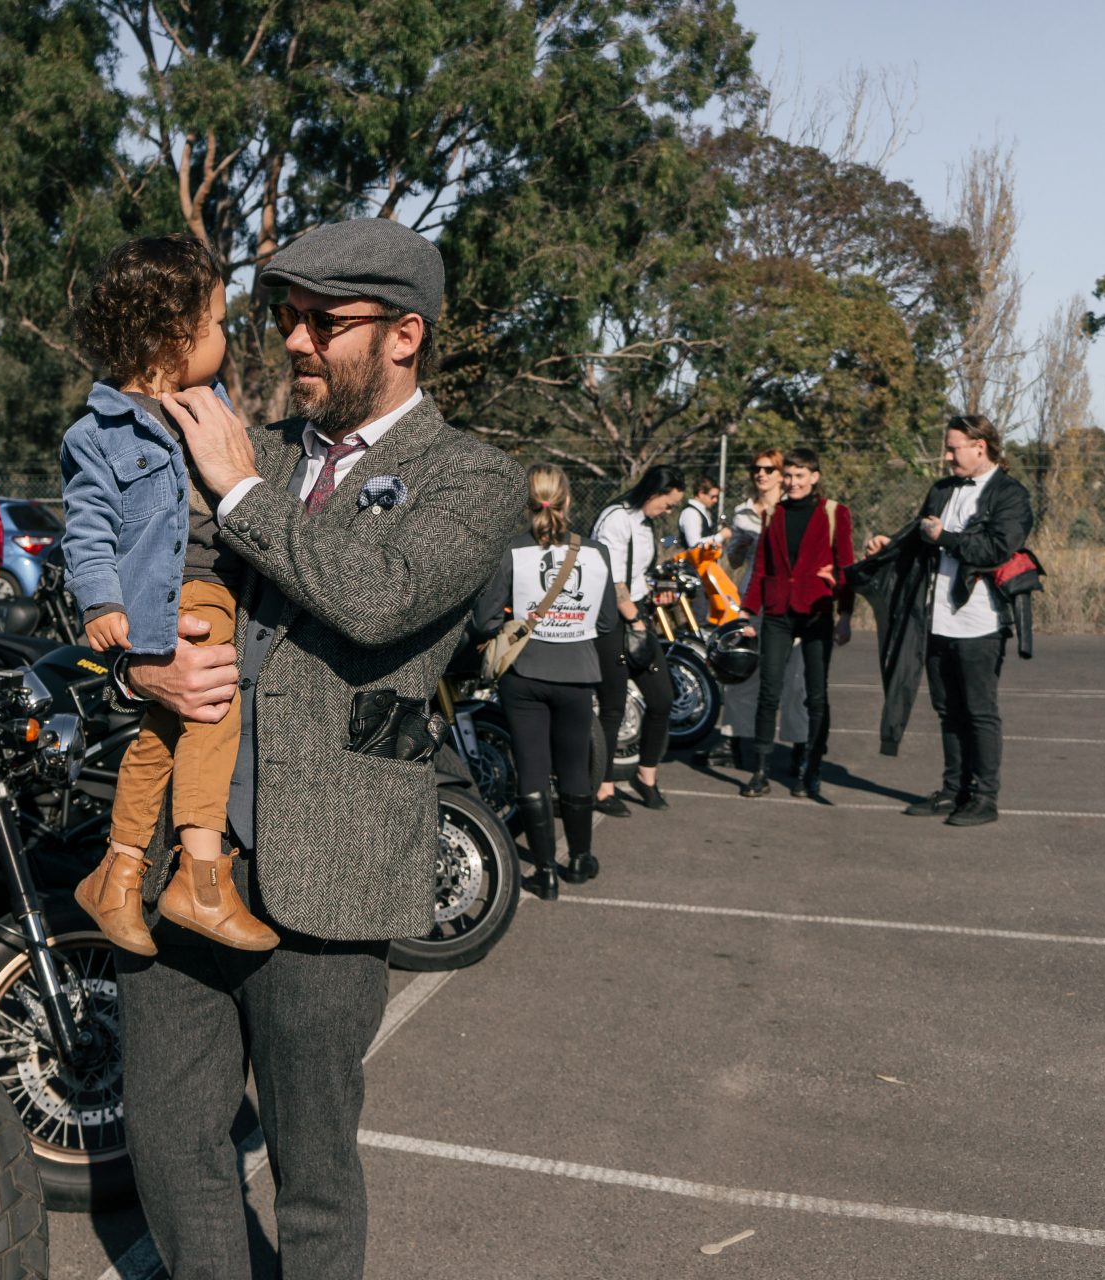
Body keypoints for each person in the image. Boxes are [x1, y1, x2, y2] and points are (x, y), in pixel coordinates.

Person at [105, 217, 522, 1280]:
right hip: (181, 862)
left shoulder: (469, 479)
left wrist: (243, 494)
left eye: (322, 322)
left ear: (403, 336)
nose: (292, 340)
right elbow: (134, 559)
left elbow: (379, 603)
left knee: (314, 1171)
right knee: (167, 1138)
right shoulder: (257, 446)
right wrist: (134, 665)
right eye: (285, 316)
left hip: (334, 871)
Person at [61, 233, 276, 955]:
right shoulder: (96, 434)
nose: (225, 336)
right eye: (215, 324)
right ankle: (200, 874)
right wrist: (100, 602)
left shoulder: (210, 408)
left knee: (164, 736)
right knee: (215, 707)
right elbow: (85, 527)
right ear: (169, 338)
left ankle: (118, 874)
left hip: (216, 587)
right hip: (175, 594)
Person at [862, 414, 1033, 827]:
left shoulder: (1010, 495)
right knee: (947, 710)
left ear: (981, 446)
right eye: (948, 446)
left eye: (954, 447)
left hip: (981, 622)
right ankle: (954, 789)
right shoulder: (941, 490)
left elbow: (998, 547)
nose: (947, 455)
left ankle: (984, 797)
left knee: (979, 711)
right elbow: (920, 536)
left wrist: (946, 539)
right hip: (936, 619)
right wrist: (891, 544)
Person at [471, 464, 616, 898]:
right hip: (577, 673)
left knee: (531, 770)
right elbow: (607, 621)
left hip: (524, 674)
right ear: (568, 501)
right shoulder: (596, 553)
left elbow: (484, 620)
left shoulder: (512, 551)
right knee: (574, 768)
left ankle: (546, 872)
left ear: (527, 503)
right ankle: (581, 858)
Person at [739, 447, 853, 800]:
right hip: (777, 613)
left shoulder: (836, 513)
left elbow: (846, 567)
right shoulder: (774, 514)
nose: (792, 482)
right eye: (788, 475)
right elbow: (761, 567)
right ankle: (760, 771)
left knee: (815, 696)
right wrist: (747, 612)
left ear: (814, 477)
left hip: (817, 610)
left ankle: (811, 770)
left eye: (800, 476)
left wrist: (845, 615)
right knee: (768, 691)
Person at [588, 465, 683, 813]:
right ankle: (604, 786)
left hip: (638, 611)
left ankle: (646, 776)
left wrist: (657, 591)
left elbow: (658, 551)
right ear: (653, 492)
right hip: (613, 616)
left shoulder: (648, 522)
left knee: (662, 699)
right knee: (613, 706)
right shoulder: (615, 518)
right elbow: (609, 574)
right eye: (668, 504)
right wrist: (635, 619)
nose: (669, 511)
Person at [710, 449, 809, 770]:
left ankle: (800, 746)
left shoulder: (793, 507)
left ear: (782, 474)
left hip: (789, 601)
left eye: (768, 469)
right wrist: (737, 548)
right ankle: (734, 740)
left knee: (796, 678)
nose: (761, 474)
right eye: (756, 469)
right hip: (752, 601)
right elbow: (736, 561)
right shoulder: (742, 513)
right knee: (742, 671)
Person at [678, 474, 725, 550]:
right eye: (712, 497)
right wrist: (720, 536)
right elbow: (694, 544)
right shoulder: (691, 513)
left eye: (717, 497)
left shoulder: (703, 512)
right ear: (701, 494)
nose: (715, 500)